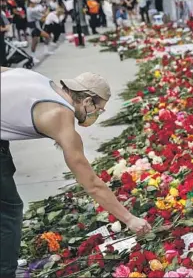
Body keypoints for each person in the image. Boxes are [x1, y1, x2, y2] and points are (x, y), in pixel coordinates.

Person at [0, 67, 152, 278]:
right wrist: (129, 219)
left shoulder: (38, 80)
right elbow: (91, 183)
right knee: (7, 210)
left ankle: (4, 259)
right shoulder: (61, 115)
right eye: (99, 109)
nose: (97, 114)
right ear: (88, 101)